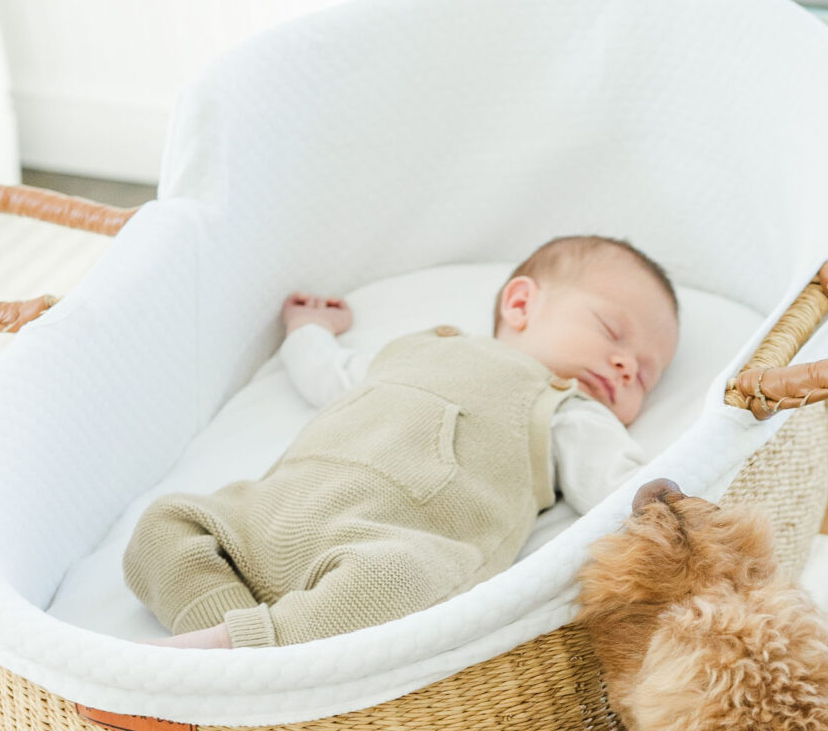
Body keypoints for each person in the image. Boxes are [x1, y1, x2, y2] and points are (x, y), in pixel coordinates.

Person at [124, 233, 680, 650]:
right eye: (612, 332)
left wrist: (679, 495)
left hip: (386, 542)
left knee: (403, 587)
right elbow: (333, 375)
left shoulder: (568, 407)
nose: (626, 365)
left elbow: (621, 486)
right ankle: (238, 643)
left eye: (646, 376)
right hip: (275, 511)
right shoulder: (419, 346)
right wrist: (308, 332)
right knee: (163, 527)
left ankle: (235, 651)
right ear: (520, 305)